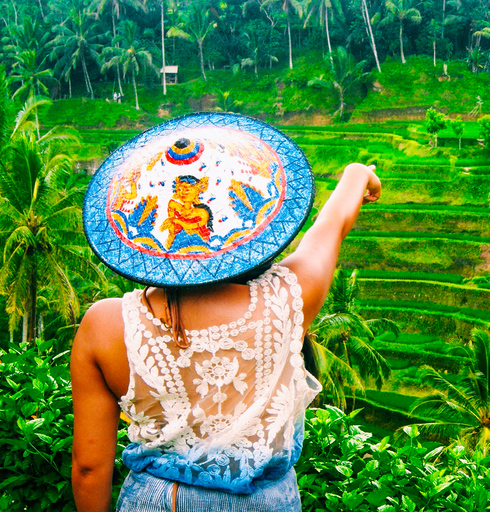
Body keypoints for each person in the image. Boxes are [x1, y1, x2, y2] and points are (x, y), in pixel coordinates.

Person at [71, 114, 381, 512]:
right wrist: (358, 175)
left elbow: (89, 468)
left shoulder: (106, 325)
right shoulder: (288, 298)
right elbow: (332, 225)